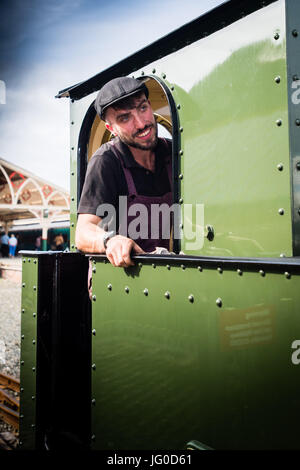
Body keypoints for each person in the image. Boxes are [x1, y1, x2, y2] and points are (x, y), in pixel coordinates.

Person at [76, 77, 173, 268]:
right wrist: (110, 241)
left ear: (150, 105)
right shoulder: (105, 161)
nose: (141, 123)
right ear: (111, 128)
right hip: (119, 278)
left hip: (160, 272)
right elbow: (82, 233)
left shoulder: (172, 152)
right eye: (125, 118)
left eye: (142, 108)